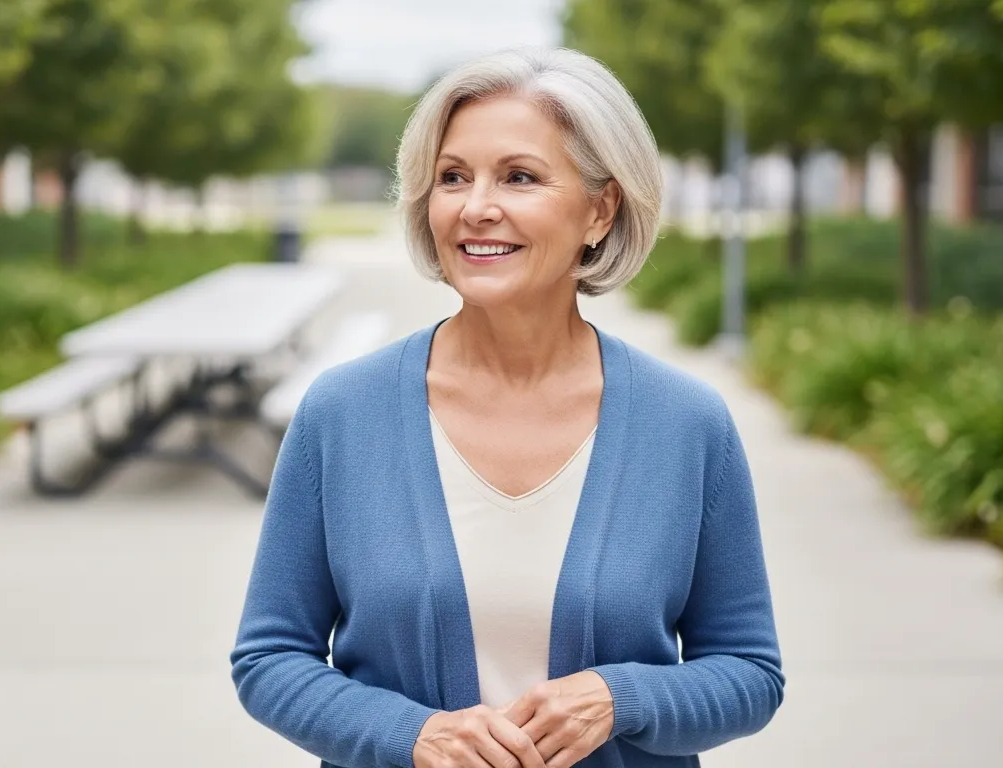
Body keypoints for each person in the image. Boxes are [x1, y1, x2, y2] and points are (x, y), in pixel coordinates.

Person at [230, 46, 783, 768]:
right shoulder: (341, 414)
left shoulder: (686, 425)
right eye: (452, 177)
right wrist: (413, 734)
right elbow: (270, 657)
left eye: (519, 177)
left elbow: (749, 671)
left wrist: (623, 698)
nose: (475, 207)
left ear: (600, 208)